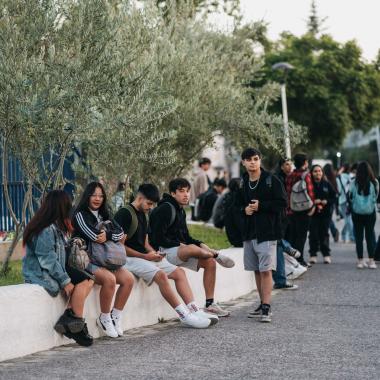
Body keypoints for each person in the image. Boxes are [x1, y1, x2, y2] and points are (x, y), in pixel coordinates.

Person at [114, 183, 216, 328]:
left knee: (179, 272)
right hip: (128, 259)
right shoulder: (124, 214)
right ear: (140, 197)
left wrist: (153, 253)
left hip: (143, 257)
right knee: (161, 275)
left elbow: (144, 243)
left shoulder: (144, 213)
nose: (150, 207)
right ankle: (184, 316)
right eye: (149, 203)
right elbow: (119, 248)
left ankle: (195, 311)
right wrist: (145, 257)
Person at [149, 178, 235, 317]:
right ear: (172, 193)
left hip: (178, 252)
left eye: (188, 191)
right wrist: (180, 245)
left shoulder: (181, 211)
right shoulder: (165, 209)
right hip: (163, 253)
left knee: (210, 263)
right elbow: (157, 238)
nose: (186, 195)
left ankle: (210, 304)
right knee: (190, 248)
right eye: (181, 191)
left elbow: (187, 238)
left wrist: (200, 244)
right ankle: (215, 254)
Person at [22, 190, 94, 347]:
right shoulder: (46, 229)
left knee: (88, 279)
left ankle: (71, 317)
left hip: (54, 268)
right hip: (40, 274)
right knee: (82, 281)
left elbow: (59, 256)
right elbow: (47, 259)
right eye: (68, 206)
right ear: (61, 207)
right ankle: (76, 323)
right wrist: (65, 281)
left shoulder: (55, 227)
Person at [73, 182, 134, 338]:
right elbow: (94, 236)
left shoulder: (105, 214)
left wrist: (107, 235)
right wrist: (109, 234)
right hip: (87, 260)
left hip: (106, 259)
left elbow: (120, 233)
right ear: (87, 196)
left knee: (128, 279)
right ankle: (104, 317)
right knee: (110, 279)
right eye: (94, 195)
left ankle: (115, 315)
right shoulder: (80, 214)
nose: (97, 199)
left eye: (101, 196)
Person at [235, 148, 287, 323]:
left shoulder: (271, 180)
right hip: (249, 233)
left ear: (260, 160)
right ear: (243, 162)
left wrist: (261, 206)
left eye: (255, 159)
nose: (252, 162)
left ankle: (267, 307)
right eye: (248, 159)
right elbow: (236, 206)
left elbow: (282, 203)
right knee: (256, 270)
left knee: (266, 270)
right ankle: (262, 303)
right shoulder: (243, 182)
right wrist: (245, 209)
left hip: (267, 232)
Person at [286, 153, 315, 267]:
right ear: (305, 163)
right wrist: (312, 207)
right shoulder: (305, 175)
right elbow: (310, 192)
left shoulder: (290, 176)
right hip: (304, 210)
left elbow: (287, 193)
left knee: (293, 235)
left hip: (292, 209)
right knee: (302, 236)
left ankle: (292, 260)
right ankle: (300, 259)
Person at [349, 161, 379, 269]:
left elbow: (350, 196)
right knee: (370, 236)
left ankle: (360, 261)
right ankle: (371, 261)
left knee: (359, 237)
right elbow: (376, 196)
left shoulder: (354, 182)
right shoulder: (374, 182)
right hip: (370, 213)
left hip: (357, 213)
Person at [308, 165, 337, 264]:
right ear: (311, 173)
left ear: (322, 172)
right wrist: (313, 201)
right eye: (315, 171)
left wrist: (327, 201)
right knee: (313, 234)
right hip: (313, 213)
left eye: (319, 171)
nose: (317, 173)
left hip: (325, 214)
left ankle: (326, 254)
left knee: (324, 234)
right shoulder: (309, 184)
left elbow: (334, 197)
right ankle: (313, 254)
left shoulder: (326, 184)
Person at [337, 163, 355, 243]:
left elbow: (339, 189)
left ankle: (349, 236)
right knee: (348, 219)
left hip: (342, 200)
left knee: (348, 219)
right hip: (350, 200)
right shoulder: (351, 177)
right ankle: (347, 235)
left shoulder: (340, 177)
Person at [323, 163, 340, 243]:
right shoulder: (334, 179)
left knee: (327, 219)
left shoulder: (324, 179)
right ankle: (334, 233)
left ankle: (332, 233)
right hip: (331, 202)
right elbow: (336, 191)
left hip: (324, 201)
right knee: (328, 219)